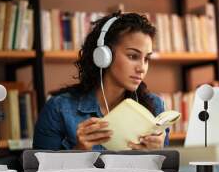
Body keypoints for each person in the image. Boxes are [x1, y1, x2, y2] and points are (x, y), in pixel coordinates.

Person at [33, 12, 169, 150]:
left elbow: (165, 170)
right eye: (133, 56)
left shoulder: (155, 108)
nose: (142, 68)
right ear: (104, 56)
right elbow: (40, 169)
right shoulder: (58, 109)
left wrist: (158, 153)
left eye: (147, 59)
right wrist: (79, 151)